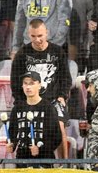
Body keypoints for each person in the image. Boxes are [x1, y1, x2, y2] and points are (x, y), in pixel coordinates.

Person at [11, 19, 71, 158]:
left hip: (53, 100)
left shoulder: (57, 51)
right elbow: (15, 82)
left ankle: (65, 165)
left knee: (60, 128)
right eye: (33, 36)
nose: (37, 39)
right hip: (30, 101)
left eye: (40, 36)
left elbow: (66, 78)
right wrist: (21, 101)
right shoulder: (22, 54)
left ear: (47, 33)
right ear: (28, 34)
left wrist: (62, 96)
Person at [7, 71, 63, 166]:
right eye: (25, 83)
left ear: (39, 85)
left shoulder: (48, 108)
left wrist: (41, 149)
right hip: (22, 160)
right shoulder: (17, 108)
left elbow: (56, 137)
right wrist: (11, 145)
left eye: (32, 83)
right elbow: (12, 132)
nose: (28, 87)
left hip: (44, 160)